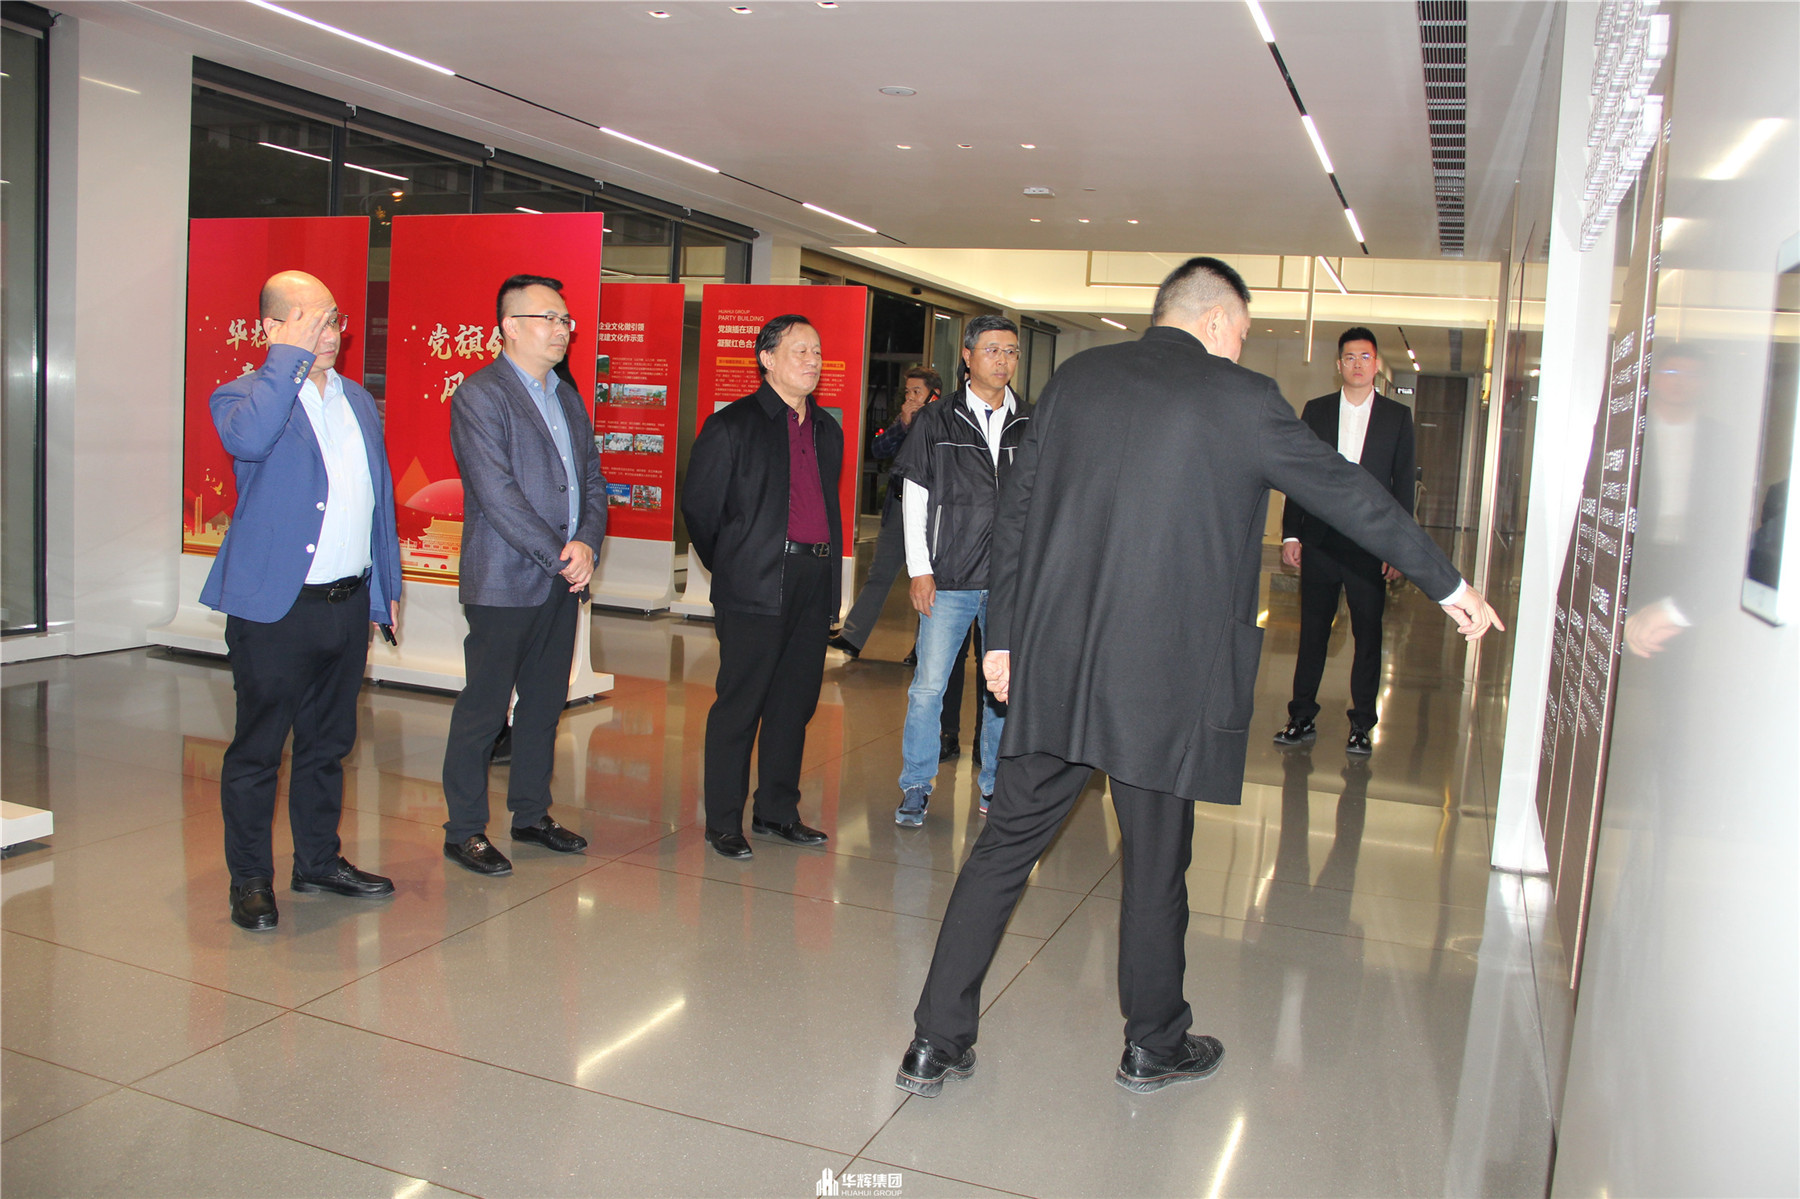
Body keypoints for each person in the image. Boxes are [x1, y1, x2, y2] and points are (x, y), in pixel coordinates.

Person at [894, 257, 1501, 1098]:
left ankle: (934, 1040)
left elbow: (1018, 517)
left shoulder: (1075, 381)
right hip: (1163, 681)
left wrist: (1005, 641)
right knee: (1155, 863)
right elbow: (1347, 493)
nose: (1241, 346)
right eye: (1242, 332)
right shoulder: (1241, 398)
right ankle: (1153, 1042)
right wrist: (1448, 582)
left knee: (1004, 850)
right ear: (1217, 321)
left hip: (1058, 666)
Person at [203, 270, 403, 931]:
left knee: (328, 744)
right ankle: (250, 881)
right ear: (271, 328)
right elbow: (248, 441)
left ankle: (318, 861)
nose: (329, 331)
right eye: (310, 319)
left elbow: (375, 500)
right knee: (259, 749)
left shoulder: (357, 400)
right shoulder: (242, 396)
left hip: (346, 604)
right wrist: (286, 361)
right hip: (276, 610)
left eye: (334, 318)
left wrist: (383, 591)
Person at [440, 274, 607, 876]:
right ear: (509, 326)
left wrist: (587, 542)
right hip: (505, 580)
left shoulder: (566, 396)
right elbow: (497, 494)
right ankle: (464, 830)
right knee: (485, 709)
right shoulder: (480, 395)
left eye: (565, 320)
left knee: (543, 704)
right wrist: (562, 554)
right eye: (549, 319)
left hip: (563, 577)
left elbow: (592, 480)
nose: (563, 330)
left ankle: (531, 814)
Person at [682, 314, 842, 860]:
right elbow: (700, 511)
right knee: (740, 705)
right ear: (767, 359)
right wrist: (735, 565)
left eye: (817, 351)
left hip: (813, 579)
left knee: (794, 704)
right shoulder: (732, 426)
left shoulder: (827, 430)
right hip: (754, 584)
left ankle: (777, 810)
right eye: (800, 351)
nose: (813, 361)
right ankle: (723, 821)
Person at [891, 315, 1030, 826]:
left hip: (1010, 582)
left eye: (1011, 351)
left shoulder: (1030, 421)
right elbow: (915, 497)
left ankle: (995, 784)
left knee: (1002, 691)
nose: (1003, 360)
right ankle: (916, 784)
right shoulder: (936, 419)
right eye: (992, 350)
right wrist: (919, 569)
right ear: (967, 356)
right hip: (948, 576)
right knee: (929, 687)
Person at [1274, 327, 1419, 755]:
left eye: (1365, 357)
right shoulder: (1316, 411)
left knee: (1367, 636)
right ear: (1339, 365)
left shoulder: (1396, 417)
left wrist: (1398, 548)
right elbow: (1297, 474)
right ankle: (1301, 716)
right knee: (1313, 633)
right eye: (1350, 357)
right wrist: (1292, 532)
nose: (1357, 364)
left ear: (1375, 364)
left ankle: (1361, 724)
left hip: (1370, 547)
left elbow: (1402, 486)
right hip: (1319, 540)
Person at [831, 367, 940, 658]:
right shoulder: (903, 420)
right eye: (908, 391)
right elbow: (878, 449)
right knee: (878, 574)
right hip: (898, 509)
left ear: (934, 394)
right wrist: (903, 425)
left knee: (929, 581)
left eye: (917, 391)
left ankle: (923, 648)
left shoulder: (942, 420)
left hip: (930, 514)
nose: (910, 397)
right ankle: (852, 637)